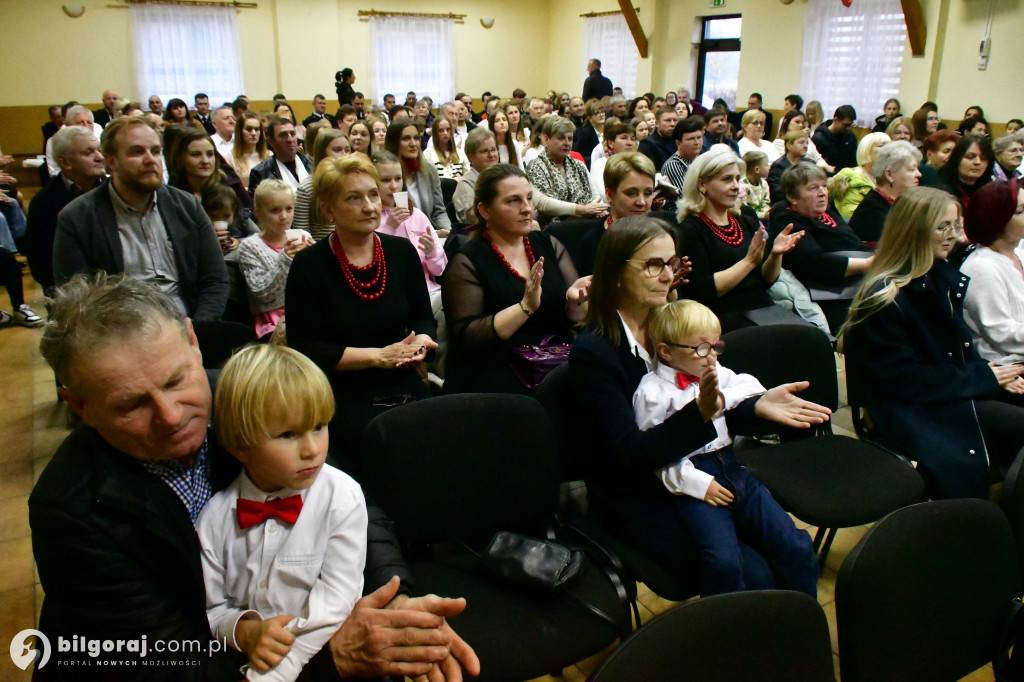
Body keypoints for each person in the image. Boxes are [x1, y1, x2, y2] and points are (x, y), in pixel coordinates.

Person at [31, 272, 479, 680]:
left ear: (192, 341)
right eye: (131, 405)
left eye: (175, 381)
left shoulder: (246, 399)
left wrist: (393, 601)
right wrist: (326, 658)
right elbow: (163, 662)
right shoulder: (70, 509)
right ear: (79, 407)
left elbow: (345, 500)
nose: (170, 416)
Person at [567, 216, 831, 596]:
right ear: (617, 273)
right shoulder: (595, 353)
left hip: (705, 469)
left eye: (671, 264)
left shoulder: (671, 319)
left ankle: (791, 638)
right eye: (653, 265)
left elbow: (710, 390)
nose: (666, 276)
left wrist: (754, 407)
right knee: (753, 576)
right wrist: (705, 415)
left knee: (791, 549)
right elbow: (627, 456)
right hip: (641, 494)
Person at [841, 186, 1024, 499]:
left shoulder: (937, 276)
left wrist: (989, 373)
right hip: (911, 408)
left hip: (944, 390)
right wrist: (984, 378)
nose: (952, 234)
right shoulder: (886, 298)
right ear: (914, 231)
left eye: (955, 225)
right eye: (942, 227)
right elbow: (905, 382)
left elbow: (956, 350)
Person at [199, 344, 367, 682]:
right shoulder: (215, 518)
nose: (312, 448)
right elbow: (213, 610)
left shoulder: (342, 498)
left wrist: (277, 670)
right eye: (289, 434)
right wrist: (244, 632)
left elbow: (336, 600)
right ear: (240, 446)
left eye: (319, 426)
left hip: (326, 663)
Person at [633, 300, 819, 597]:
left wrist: (719, 402)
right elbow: (656, 455)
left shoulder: (712, 367)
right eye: (701, 348)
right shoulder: (651, 394)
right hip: (696, 482)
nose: (711, 357)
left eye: (715, 346)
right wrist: (698, 484)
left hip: (733, 468)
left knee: (795, 543)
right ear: (666, 351)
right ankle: (727, 628)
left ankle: (800, 614)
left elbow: (749, 386)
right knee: (724, 564)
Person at [285, 155, 437, 467]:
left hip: (401, 379)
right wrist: (377, 357)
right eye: (354, 198)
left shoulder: (400, 252)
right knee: (386, 450)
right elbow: (305, 349)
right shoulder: (309, 265)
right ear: (328, 209)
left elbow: (424, 318)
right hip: (340, 390)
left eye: (372, 194)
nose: (369, 206)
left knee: (434, 444)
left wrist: (421, 342)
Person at [53, 116, 229, 324]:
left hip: (189, 324)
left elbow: (215, 279)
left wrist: (199, 330)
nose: (150, 160)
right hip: (121, 333)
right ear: (111, 161)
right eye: (137, 152)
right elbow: (75, 300)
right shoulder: (78, 217)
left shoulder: (186, 206)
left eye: (155, 151)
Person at [441, 163, 590, 393]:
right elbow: (468, 338)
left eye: (529, 198)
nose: (527, 208)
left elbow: (573, 320)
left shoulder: (547, 244)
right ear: (485, 210)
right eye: (513, 201)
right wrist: (525, 307)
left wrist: (574, 303)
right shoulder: (467, 261)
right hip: (496, 372)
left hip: (552, 363)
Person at [677, 146, 803, 331]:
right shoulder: (690, 229)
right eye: (727, 179)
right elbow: (704, 290)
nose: (736, 186)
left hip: (762, 309)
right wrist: (749, 262)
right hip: (722, 316)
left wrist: (775, 255)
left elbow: (767, 279)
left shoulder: (745, 219)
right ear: (702, 184)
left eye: (737, 179)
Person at [770, 163, 874, 333]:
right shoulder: (787, 218)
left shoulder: (827, 213)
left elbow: (856, 244)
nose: (822, 193)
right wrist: (869, 264)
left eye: (824, 186)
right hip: (830, 294)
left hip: (858, 282)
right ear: (792, 197)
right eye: (813, 188)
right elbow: (814, 263)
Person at [25, 125, 106, 293]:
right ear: (65, 162)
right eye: (88, 152)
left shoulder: (114, 191)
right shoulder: (44, 202)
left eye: (98, 150)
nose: (99, 157)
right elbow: (41, 263)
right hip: (72, 295)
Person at [372, 150, 447, 322]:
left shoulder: (417, 215)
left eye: (398, 179)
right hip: (392, 294)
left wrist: (432, 252)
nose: (393, 186)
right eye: (385, 180)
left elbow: (440, 269)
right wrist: (389, 227)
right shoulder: (371, 217)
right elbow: (372, 259)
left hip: (429, 291)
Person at [238, 180, 312, 339]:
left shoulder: (304, 237)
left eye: (289, 209)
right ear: (258, 212)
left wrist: (316, 257)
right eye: (275, 210)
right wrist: (285, 259)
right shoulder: (250, 247)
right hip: (272, 323)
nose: (284, 216)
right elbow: (263, 293)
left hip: (308, 312)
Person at [961, 179, 1024, 364]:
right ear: (998, 219)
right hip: (1007, 366)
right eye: (1020, 212)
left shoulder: (1019, 255)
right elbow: (1001, 333)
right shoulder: (982, 266)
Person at [574, 152, 659, 276]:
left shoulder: (660, 236)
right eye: (631, 193)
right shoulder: (594, 245)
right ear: (609, 195)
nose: (641, 202)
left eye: (648, 193)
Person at [526, 116, 606, 224]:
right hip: (553, 226)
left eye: (570, 138)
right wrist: (582, 209)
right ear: (546, 139)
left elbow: (595, 195)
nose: (567, 143)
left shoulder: (578, 164)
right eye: (561, 138)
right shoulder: (536, 166)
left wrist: (595, 209)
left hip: (586, 220)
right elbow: (543, 203)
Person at [383, 119, 453, 236]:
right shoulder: (386, 175)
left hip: (432, 236)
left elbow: (438, 211)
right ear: (393, 142)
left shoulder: (429, 170)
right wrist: (432, 234)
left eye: (416, 138)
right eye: (406, 139)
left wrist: (448, 232)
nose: (413, 143)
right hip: (401, 237)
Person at [849, 141, 922, 245]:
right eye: (911, 169)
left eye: (917, 169)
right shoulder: (872, 210)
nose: (919, 174)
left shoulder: (898, 203)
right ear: (889, 175)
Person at [293, 128, 351, 242]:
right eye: (337, 150)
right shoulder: (307, 188)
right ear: (322, 153)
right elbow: (302, 234)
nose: (344, 156)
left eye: (347, 150)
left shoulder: (352, 184)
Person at [829, 132, 890, 220]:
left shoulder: (890, 178)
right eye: (881, 146)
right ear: (867, 150)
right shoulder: (850, 178)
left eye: (889, 146)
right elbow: (851, 215)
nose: (888, 151)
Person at [249, 118, 314, 195]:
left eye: (292, 134)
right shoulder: (260, 173)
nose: (290, 139)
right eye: (283, 135)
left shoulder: (313, 163)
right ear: (271, 141)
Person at [453, 128, 499, 226]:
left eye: (494, 150)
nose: (491, 155)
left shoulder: (504, 178)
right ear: (471, 156)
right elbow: (475, 219)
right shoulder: (465, 185)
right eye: (484, 151)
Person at [938, 134, 993, 208]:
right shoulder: (941, 192)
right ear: (957, 159)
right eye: (970, 157)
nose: (978, 162)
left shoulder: (991, 191)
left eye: (983, 158)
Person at [589, 120, 638, 200]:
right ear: (611, 143)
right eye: (624, 138)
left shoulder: (639, 164)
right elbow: (603, 194)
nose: (629, 143)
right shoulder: (601, 164)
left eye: (633, 139)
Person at [660, 115, 704, 201]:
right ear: (678, 143)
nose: (696, 142)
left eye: (699, 137)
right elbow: (687, 198)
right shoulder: (673, 165)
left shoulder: (701, 159)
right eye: (691, 139)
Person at [767, 129, 813, 206]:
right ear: (788, 146)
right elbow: (776, 192)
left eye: (806, 143)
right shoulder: (778, 166)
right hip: (787, 204)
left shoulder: (811, 164)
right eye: (801, 142)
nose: (805, 146)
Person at [230, 112, 271, 191]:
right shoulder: (230, 157)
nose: (253, 133)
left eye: (257, 129)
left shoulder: (269, 155)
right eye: (249, 129)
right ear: (240, 131)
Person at [812, 105, 858, 171]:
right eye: (846, 125)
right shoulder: (818, 139)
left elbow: (854, 161)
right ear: (836, 120)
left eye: (850, 125)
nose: (848, 128)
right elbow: (822, 166)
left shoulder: (850, 136)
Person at [423, 116, 465, 180]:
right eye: (441, 130)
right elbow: (426, 179)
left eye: (448, 129)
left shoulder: (460, 153)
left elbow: (468, 176)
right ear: (435, 133)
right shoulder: (428, 154)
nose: (445, 133)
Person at [638, 106, 679, 171]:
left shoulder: (680, 141)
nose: (672, 124)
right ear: (657, 123)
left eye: (675, 120)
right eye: (668, 120)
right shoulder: (647, 144)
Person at [573, 99, 606, 167]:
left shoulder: (608, 130)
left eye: (602, 112)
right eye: (597, 113)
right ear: (590, 118)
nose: (601, 115)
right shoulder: (585, 134)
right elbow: (584, 158)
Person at [741, 150, 771, 219]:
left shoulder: (764, 183)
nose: (769, 167)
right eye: (766, 165)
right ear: (757, 169)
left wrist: (767, 212)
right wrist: (763, 215)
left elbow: (765, 203)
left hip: (762, 217)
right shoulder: (742, 186)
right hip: (748, 218)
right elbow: (745, 210)